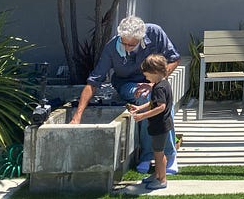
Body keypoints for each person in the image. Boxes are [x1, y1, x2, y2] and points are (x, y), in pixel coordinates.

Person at [69, 16, 181, 174]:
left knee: (161, 97)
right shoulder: (111, 48)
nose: (127, 47)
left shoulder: (155, 33)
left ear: (141, 38)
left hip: (154, 81)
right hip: (126, 84)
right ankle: (147, 155)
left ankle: (169, 155)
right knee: (145, 96)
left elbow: (174, 59)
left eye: (132, 44)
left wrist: (155, 82)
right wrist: (77, 115)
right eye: (124, 43)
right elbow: (93, 81)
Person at [128, 54, 174, 190]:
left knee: (159, 154)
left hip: (160, 126)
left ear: (155, 72)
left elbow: (161, 107)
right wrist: (139, 108)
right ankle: (157, 174)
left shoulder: (159, 88)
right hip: (160, 125)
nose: (146, 78)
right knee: (157, 152)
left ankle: (162, 180)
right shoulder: (162, 84)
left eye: (147, 76)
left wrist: (143, 116)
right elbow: (153, 103)